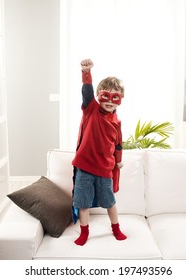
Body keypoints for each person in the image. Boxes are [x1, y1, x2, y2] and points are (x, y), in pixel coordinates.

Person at [71, 58, 127, 246]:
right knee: (83, 203)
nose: (110, 101)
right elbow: (86, 90)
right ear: (98, 96)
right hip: (85, 167)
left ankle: (116, 229)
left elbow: (118, 143)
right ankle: (84, 233)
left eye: (115, 97)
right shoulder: (91, 109)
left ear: (120, 100)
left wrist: (118, 160)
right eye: (105, 96)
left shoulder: (117, 121)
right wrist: (86, 72)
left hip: (105, 169)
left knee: (109, 202)